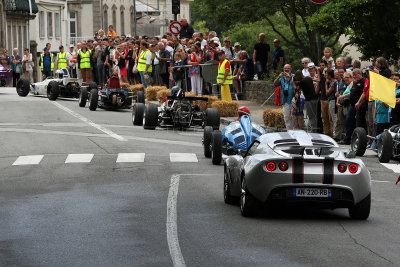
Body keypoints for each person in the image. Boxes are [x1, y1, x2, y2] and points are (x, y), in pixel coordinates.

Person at [342, 69, 365, 145]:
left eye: (355, 75)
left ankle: (358, 140)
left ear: (359, 74)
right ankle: (347, 139)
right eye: (353, 75)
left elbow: (363, 94)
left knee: (358, 123)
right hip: (352, 105)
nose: (354, 77)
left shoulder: (363, 82)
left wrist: (359, 103)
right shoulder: (354, 82)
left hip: (359, 105)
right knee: (348, 121)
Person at [274, 64, 294, 130]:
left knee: (294, 118)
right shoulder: (282, 78)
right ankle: (289, 131)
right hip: (285, 100)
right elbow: (275, 84)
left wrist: (290, 77)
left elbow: (298, 83)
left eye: (288, 68)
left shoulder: (293, 76)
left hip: (294, 100)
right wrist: (278, 77)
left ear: (290, 69)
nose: (286, 70)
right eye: (285, 68)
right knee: (286, 117)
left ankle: (295, 132)